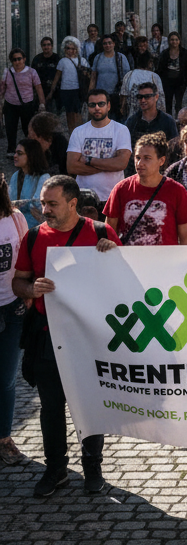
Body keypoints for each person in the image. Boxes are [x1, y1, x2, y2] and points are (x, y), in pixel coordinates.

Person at [14, 175, 120, 497]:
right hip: (48, 335)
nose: (45, 209)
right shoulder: (33, 237)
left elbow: (124, 282)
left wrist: (114, 255)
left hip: (89, 336)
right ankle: (56, 469)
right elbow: (18, 282)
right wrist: (31, 289)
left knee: (89, 405)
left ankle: (93, 469)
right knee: (50, 406)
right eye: (43, 203)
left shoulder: (100, 233)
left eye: (52, 204)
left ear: (73, 204)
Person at [103, 133, 187, 246]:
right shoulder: (121, 189)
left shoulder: (177, 191)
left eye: (147, 158)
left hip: (165, 257)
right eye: (137, 158)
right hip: (129, 257)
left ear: (161, 161)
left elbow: (186, 238)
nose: (140, 163)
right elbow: (109, 234)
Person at [0, 172, 27, 466]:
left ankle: (4, 437)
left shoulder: (16, 219)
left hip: (11, 308)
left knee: (6, 379)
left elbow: (26, 261)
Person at [66, 90, 132, 201]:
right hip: (84, 196)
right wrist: (109, 166)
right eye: (92, 105)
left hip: (113, 196)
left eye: (101, 104)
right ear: (88, 107)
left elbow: (121, 163)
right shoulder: (78, 131)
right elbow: (71, 167)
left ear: (108, 106)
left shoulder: (121, 130)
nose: (97, 108)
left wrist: (89, 160)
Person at [2, 48, 46, 154]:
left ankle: (29, 149)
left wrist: (42, 103)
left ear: (24, 59)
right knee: (10, 128)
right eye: (14, 60)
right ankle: (11, 148)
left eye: (19, 59)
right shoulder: (7, 72)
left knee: (28, 128)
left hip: (27, 104)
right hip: (10, 104)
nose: (17, 62)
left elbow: (38, 88)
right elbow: (2, 88)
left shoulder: (31, 72)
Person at [50, 37, 89, 130]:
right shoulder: (62, 61)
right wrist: (51, 91)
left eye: (72, 48)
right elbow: (57, 77)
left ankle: (80, 132)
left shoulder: (82, 61)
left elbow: (88, 75)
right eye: (68, 48)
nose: (70, 51)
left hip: (78, 90)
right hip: (65, 90)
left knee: (78, 112)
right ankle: (71, 132)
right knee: (69, 113)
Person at [9, 139, 50, 229]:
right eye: (15, 153)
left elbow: (37, 204)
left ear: (31, 156)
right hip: (17, 226)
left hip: (36, 229)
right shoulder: (16, 176)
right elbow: (9, 199)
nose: (15, 156)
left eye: (19, 153)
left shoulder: (43, 177)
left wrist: (13, 204)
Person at [155, 32, 187, 115]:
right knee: (168, 102)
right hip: (167, 82)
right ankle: (169, 118)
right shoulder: (165, 53)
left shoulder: (184, 53)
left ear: (179, 41)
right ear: (169, 41)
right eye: (172, 40)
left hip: (180, 82)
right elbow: (160, 68)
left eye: (176, 40)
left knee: (178, 102)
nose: (174, 42)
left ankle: (178, 118)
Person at [26, 112, 68, 177]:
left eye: (31, 137)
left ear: (42, 137)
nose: (29, 139)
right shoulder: (30, 150)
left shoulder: (60, 144)